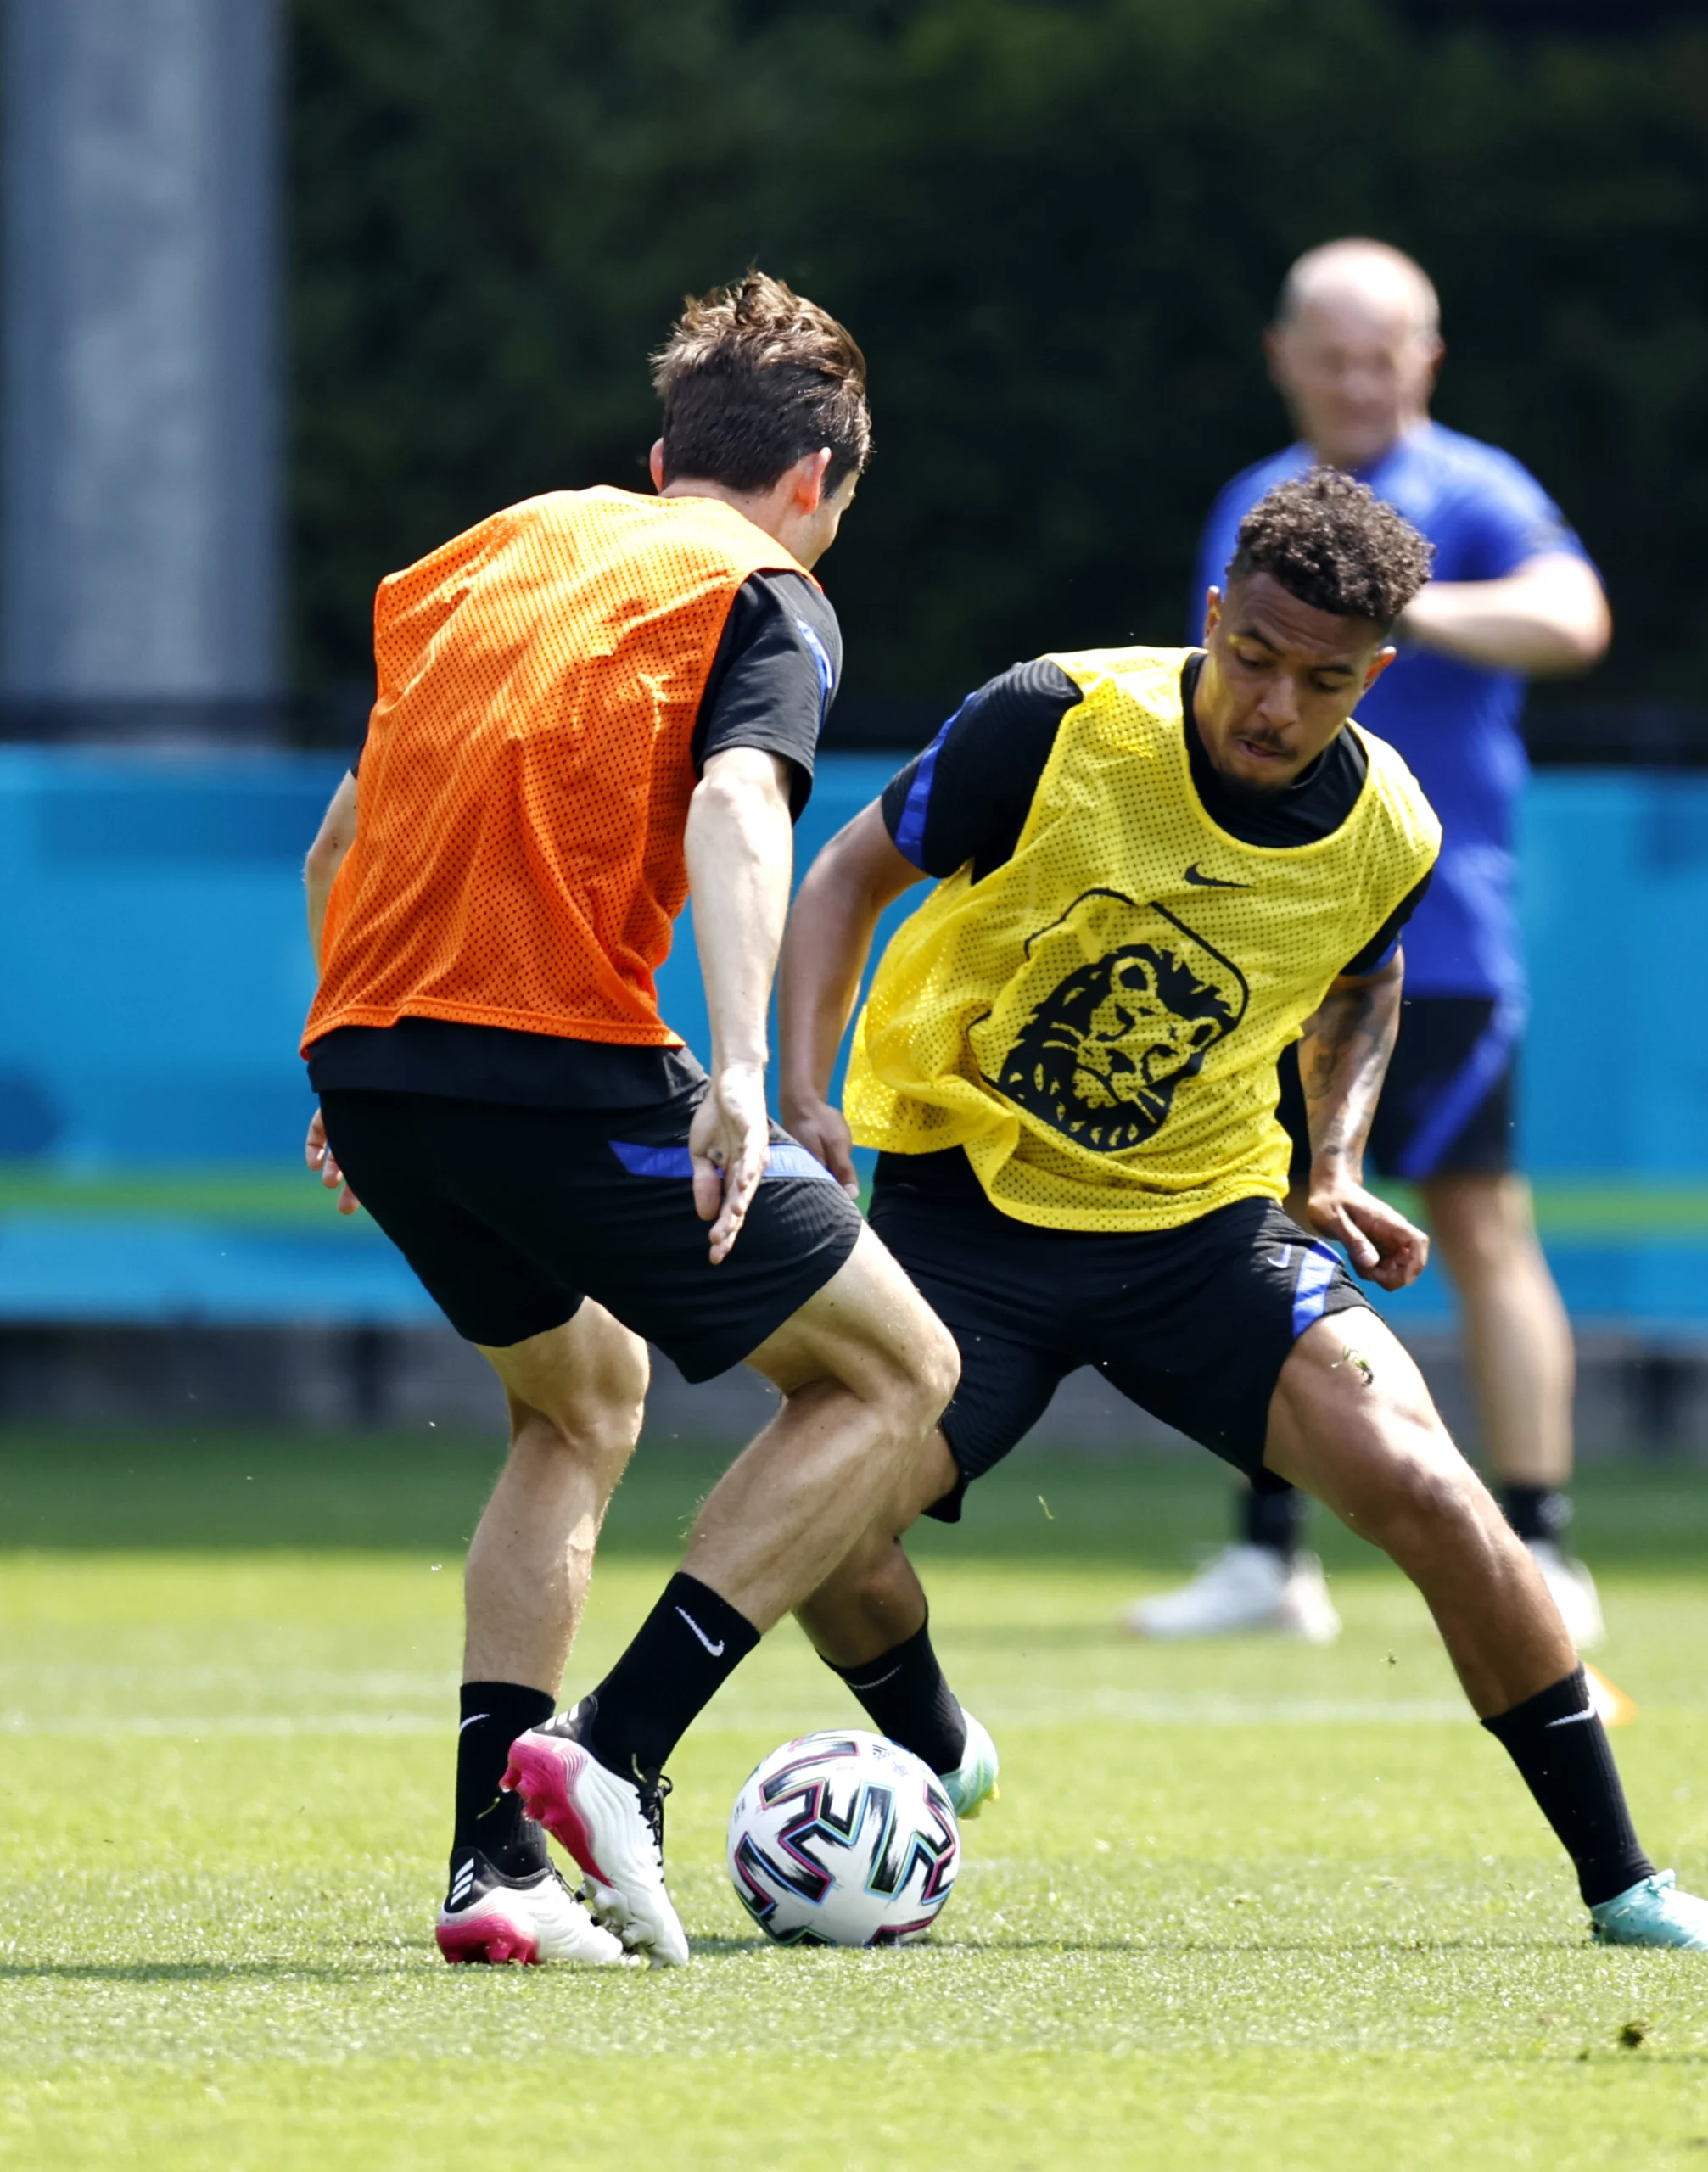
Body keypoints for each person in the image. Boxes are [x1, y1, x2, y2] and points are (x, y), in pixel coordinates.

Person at [770, 470, 1708, 1952]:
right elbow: (847, 876)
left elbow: (1363, 980)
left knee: (1432, 1489)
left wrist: (1338, 1166)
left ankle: (1628, 1885)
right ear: (1215, 617)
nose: (1278, 705)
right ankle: (940, 1744)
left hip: (1199, 1230)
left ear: (1379, 676)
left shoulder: (1392, 833)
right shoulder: (1054, 720)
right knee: (822, 1538)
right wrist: (804, 1100)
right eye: (1256, 658)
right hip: (966, 1209)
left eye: (1326, 680)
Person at [298, 273, 963, 1970]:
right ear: (819, 482)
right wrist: (741, 1069)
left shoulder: (495, 550)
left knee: (580, 1398)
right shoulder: (770, 589)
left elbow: (342, 838)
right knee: (900, 1371)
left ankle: (491, 1865)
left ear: (662, 453)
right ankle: (618, 1739)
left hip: (374, 1059)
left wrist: (352, 1057)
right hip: (553, 1069)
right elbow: (746, 800)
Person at [1128, 238, 1613, 1654]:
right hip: (1271, 932)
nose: (1356, 379)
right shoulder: (1253, 499)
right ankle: (1271, 1559)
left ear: (1428, 360)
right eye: (1330, 355)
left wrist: (1395, 610)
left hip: (1439, 940)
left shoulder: (1478, 489)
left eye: (1381, 353)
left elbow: (1574, 619)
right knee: (1250, 1224)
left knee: (1478, 1222)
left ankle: (1541, 1543)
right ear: (1283, 358)